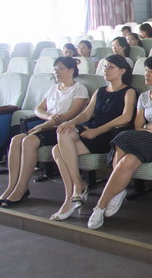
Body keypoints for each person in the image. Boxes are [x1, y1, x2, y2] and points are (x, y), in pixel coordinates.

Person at [87, 55, 152, 229]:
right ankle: (110, 198)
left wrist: (148, 127)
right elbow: (138, 126)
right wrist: (151, 127)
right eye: (146, 70)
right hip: (144, 141)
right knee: (127, 160)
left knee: (123, 136)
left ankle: (101, 205)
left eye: (151, 71)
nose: (146, 74)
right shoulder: (144, 97)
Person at [50, 55, 136, 221]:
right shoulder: (100, 91)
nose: (105, 70)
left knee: (57, 151)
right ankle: (77, 187)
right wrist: (71, 122)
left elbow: (126, 117)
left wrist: (97, 131)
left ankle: (76, 192)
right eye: (104, 67)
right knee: (63, 132)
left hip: (110, 134)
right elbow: (86, 114)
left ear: (122, 71)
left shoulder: (128, 91)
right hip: (91, 129)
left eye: (110, 67)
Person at [0, 57, 88, 207]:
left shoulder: (79, 89)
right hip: (46, 125)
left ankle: (22, 188)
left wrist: (46, 124)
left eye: (60, 68)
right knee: (16, 140)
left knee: (28, 140)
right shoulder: (54, 88)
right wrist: (48, 117)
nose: (56, 72)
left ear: (71, 70)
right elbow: (38, 109)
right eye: (55, 69)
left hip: (61, 129)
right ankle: (11, 186)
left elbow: (71, 114)